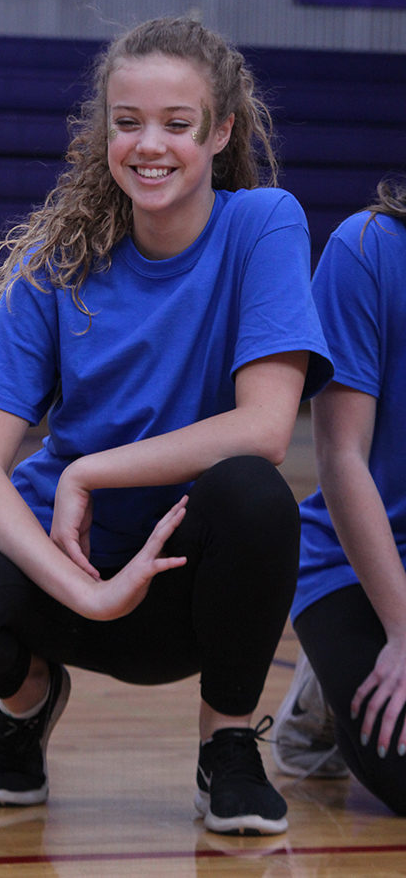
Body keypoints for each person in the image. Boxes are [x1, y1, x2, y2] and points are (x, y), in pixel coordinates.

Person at [0, 16, 332, 836]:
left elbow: (264, 428)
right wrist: (84, 588)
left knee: (255, 493)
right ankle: (27, 700)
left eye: (177, 124)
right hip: (73, 573)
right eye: (128, 122)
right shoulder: (60, 256)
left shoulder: (263, 223)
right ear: (104, 130)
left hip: (191, 581)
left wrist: (87, 471)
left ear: (221, 131)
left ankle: (225, 744)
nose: (149, 145)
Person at [273, 177, 406, 816]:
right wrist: (405, 634)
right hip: (359, 559)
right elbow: (340, 456)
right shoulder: (369, 250)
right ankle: (324, 694)